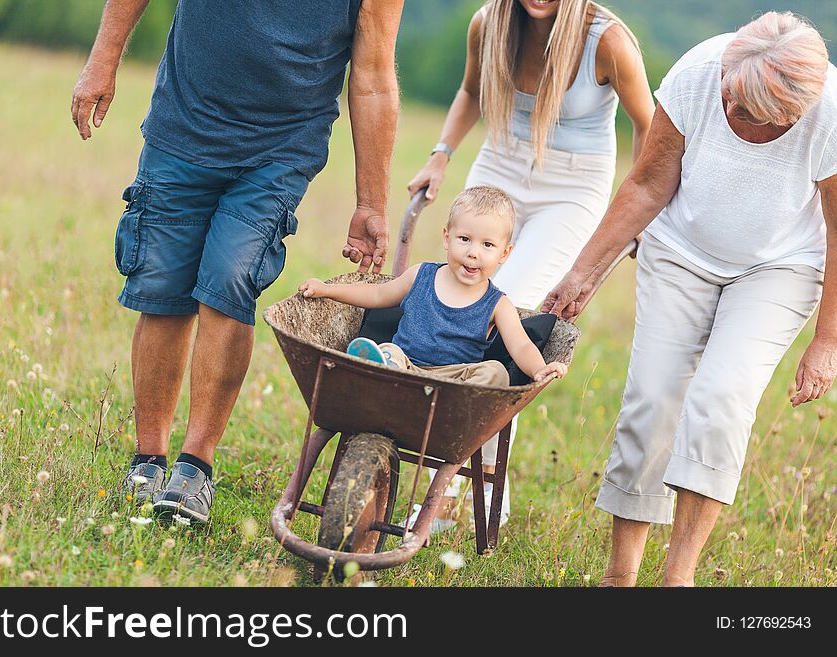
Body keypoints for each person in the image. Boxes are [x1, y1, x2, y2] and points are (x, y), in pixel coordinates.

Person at [70, 0, 403, 524]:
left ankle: (194, 469)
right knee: (162, 287)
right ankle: (147, 460)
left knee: (230, 278)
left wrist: (371, 203)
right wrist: (102, 60)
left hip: (281, 148)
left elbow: (374, 77)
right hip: (184, 123)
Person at [544, 11, 837, 586]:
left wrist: (826, 341)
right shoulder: (702, 71)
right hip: (681, 247)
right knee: (651, 399)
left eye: (747, 114)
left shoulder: (829, 117)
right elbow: (650, 182)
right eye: (728, 98)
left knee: (721, 398)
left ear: (791, 112)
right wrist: (583, 271)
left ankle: (678, 582)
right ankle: (620, 577)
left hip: (780, 266)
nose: (728, 114)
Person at [406, 0, 654, 526]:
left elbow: (649, 125)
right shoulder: (487, 23)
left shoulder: (607, 41)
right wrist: (440, 152)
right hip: (500, 162)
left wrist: (640, 211)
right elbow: (472, 92)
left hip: (573, 184)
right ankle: (465, 481)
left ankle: (459, 488)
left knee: (504, 312)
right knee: (457, 301)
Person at [299, 186, 567, 392]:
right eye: (464, 239)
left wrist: (539, 369)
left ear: (504, 253)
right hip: (406, 367)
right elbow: (378, 294)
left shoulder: (497, 304)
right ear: (447, 238)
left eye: (487, 245)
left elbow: (520, 346)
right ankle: (376, 371)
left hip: (456, 380)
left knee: (496, 371)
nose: (473, 253)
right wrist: (327, 289)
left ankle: (454, 407)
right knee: (388, 350)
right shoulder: (421, 275)